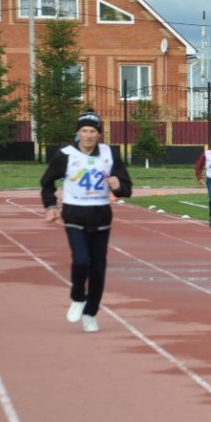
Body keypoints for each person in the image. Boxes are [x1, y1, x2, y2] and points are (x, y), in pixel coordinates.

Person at [40, 110, 132, 332]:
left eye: (93, 131)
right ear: (78, 133)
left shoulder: (110, 155)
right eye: (84, 131)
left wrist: (118, 186)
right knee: (81, 261)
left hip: (101, 217)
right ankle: (78, 297)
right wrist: (51, 206)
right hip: (74, 216)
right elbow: (46, 183)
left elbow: (127, 188)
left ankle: (91, 313)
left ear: (99, 135)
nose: (89, 136)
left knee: (98, 270)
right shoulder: (65, 155)